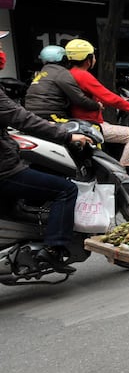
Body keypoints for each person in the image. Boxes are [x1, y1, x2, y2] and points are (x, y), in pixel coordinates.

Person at [0, 87, 92, 273]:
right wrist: (66, 135)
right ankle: (53, 249)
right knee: (65, 190)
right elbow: (22, 118)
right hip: (4, 170)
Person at [65, 38, 129, 169]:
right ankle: (123, 172)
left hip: (81, 123)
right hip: (91, 124)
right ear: (88, 59)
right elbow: (109, 97)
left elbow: (96, 97)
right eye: (93, 56)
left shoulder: (70, 74)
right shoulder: (83, 75)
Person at [25, 45, 103, 120]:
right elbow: (79, 98)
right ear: (63, 58)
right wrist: (97, 105)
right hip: (50, 115)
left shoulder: (43, 72)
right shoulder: (61, 73)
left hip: (32, 115)